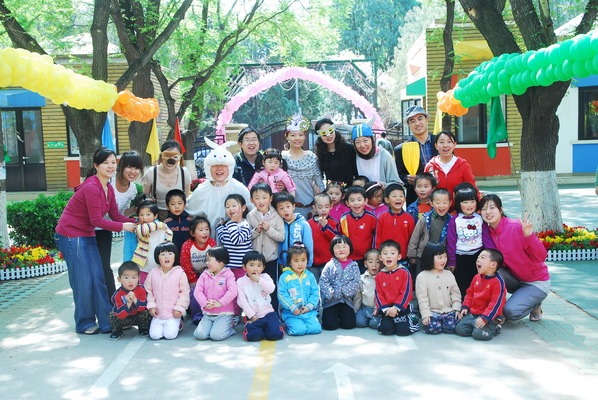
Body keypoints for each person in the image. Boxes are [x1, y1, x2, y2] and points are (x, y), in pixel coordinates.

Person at [55, 147, 136, 335]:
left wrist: (139, 223)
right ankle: (84, 323)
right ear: (96, 165)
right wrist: (124, 227)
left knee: (99, 278)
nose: (110, 166)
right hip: (71, 235)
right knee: (83, 280)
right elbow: (96, 220)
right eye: (105, 163)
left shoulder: (108, 187)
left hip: (87, 234)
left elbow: (115, 215)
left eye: (113, 162)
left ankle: (108, 321)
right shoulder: (92, 186)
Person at [480, 195, 549, 322]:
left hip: (536, 282)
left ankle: (535, 304)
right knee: (490, 268)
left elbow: (542, 256)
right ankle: (501, 307)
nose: (488, 212)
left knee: (510, 312)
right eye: (484, 209)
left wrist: (529, 237)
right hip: (514, 279)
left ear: (501, 209)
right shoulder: (488, 232)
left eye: (492, 208)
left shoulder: (516, 227)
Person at [97, 150, 143, 298]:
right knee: (94, 268)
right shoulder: (108, 181)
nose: (133, 171)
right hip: (90, 228)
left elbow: (120, 214)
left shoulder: (132, 188)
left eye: (137, 168)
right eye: (129, 167)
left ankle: (112, 301)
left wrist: (138, 209)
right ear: (121, 166)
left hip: (106, 229)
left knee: (105, 267)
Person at [186, 138, 253, 238]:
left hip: (234, 241)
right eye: (215, 166)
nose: (219, 169)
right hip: (208, 241)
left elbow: (252, 211)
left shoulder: (239, 188)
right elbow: (190, 211)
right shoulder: (202, 190)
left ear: (229, 167)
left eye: (223, 165)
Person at [446, 187, 494, 298]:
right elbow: (451, 242)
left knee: (479, 281)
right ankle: (465, 304)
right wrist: (452, 261)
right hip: (460, 257)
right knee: (463, 284)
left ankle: (478, 302)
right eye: (465, 202)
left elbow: (486, 237)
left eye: (472, 201)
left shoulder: (480, 218)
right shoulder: (455, 220)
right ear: (458, 204)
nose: (469, 205)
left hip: (477, 256)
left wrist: (492, 255)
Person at [246, 183, 285, 311]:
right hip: (255, 261)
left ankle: (274, 314)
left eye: (264, 197)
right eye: (257, 198)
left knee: (271, 288)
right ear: (251, 200)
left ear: (270, 198)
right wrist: (256, 230)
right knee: (255, 288)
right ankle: (256, 314)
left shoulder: (276, 215)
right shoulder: (250, 216)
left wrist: (268, 229)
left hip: (271, 258)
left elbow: (281, 237)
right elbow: (247, 236)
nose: (261, 201)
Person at [455, 249, 506, 341]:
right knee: (460, 330)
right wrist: (465, 306)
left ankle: (495, 327)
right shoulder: (476, 277)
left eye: (482, 258)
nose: (478, 260)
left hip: (489, 316)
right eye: (478, 258)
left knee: (478, 335)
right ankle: (477, 327)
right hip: (474, 314)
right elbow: (470, 294)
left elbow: (495, 304)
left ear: (493, 265)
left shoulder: (498, 282)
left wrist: (485, 318)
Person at [282, 114, 325, 217]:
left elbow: (320, 185)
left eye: (300, 135)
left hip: (311, 211)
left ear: (305, 136)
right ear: (287, 137)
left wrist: (320, 208)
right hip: (288, 212)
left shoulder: (311, 157)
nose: (297, 138)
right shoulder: (282, 158)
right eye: (293, 135)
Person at [145, 242, 190, 340]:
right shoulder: (153, 273)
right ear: (157, 257)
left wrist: (179, 308)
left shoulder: (180, 273)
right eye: (162, 254)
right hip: (158, 314)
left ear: (175, 256)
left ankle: (179, 323)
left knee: (170, 335)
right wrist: (151, 306)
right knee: (155, 336)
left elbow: (184, 292)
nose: (166, 257)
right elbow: (148, 291)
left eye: (170, 253)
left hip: (173, 314)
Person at [394, 105, 438, 205]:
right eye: (412, 121)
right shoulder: (401, 149)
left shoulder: (441, 142)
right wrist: (407, 179)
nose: (417, 123)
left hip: (441, 199)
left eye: (420, 118)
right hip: (416, 201)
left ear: (426, 119)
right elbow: (399, 175)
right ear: (409, 125)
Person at [236, 252, 284, 341]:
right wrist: (252, 315)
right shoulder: (241, 281)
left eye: (259, 266)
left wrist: (259, 280)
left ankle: (273, 327)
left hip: (268, 313)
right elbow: (242, 301)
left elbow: (271, 289)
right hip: (253, 315)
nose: (255, 268)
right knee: (254, 336)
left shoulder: (265, 277)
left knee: (274, 335)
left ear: (263, 268)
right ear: (244, 267)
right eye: (251, 265)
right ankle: (250, 326)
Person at [193, 246, 238, 341]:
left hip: (224, 314)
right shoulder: (204, 275)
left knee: (216, 336)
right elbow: (197, 291)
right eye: (206, 260)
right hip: (208, 314)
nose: (206, 263)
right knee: (200, 335)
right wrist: (204, 303)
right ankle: (215, 327)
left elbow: (233, 291)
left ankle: (229, 329)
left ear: (220, 261)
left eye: (209, 260)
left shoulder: (228, 274)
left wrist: (220, 303)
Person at [415, 242, 461, 335]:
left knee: (452, 327)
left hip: (448, 311)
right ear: (429, 258)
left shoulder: (449, 274)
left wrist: (456, 309)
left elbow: (455, 293)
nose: (443, 260)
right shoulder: (422, 276)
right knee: (432, 328)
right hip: (433, 312)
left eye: (445, 256)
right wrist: (425, 314)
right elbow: (422, 298)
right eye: (440, 258)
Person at [375, 240, 419, 336]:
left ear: (399, 256)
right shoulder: (379, 276)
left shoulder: (404, 272)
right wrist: (386, 309)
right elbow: (378, 295)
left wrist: (396, 308)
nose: (388, 256)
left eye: (392, 253)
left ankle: (412, 319)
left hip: (402, 307)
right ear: (380, 257)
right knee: (385, 330)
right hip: (387, 309)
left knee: (402, 331)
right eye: (385, 254)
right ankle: (388, 321)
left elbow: (406, 292)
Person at [278, 242, 322, 336]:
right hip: (291, 313)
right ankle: (291, 326)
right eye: (296, 261)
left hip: (308, 311)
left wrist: (309, 306)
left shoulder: (309, 276)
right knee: (299, 331)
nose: (300, 264)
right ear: (290, 262)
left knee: (315, 329)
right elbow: (282, 294)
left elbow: (314, 292)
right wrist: (292, 307)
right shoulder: (285, 276)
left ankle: (303, 322)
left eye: (303, 260)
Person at [424, 131, 478, 206]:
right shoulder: (430, 167)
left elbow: (472, 188)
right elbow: (425, 190)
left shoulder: (463, 165)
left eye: (449, 142)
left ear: (454, 144)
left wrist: (479, 207)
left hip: (459, 210)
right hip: (437, 209)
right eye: (441, 142)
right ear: (436, 146)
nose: (445, 145)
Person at [180, 215, 216, 325]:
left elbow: (216, 261)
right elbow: (185, 264)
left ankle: (211, 312)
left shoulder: (212, 243)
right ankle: (197, 316)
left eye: (206, 229)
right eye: (200, 230)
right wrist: (193, 280)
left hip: (208, 274)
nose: (205, 232)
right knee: (195, 293)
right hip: (192, 275)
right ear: (193, 233)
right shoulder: (187, 245)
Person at [407, 188, 452, 277]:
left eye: (445, 203)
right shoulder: (425, 218)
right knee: (422, 277)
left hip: (441, 258)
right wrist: (412, 254)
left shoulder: (451, 221)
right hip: (423, 256)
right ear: (431, 203)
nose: (441, 206)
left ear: (450, 203)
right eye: (438, 203)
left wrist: (451, 260)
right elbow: (415, 237)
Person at [143, 140, 191, 221]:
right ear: (161, 155)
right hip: (157, 215)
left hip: (179, 215)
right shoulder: (151, 173)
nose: (171, 160)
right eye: (167, 156)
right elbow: (145, 196)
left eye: (175, 157)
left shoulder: (184, 173)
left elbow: (186, 198)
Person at [320, 236, 361, 331]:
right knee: (330, 326)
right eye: (338, 247)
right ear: (333, 250)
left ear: (350, 248)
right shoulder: (329, 265)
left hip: (346, 300)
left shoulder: (354, 266)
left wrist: (343, 291)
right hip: (331, 300)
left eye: (344, 246)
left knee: (349, 325)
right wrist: (331, 293)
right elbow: (323, 280)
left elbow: (356, 282)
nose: (341, 249)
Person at [131, 200, 173, 284]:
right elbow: (142, 230)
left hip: (158, 265)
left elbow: (169, 237)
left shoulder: (163, 229)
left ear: (155, 215)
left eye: (148, 214)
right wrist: (159, 224)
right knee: (143, 287)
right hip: (143, 266)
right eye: (141, 214)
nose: (144, 218)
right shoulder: (140, 227)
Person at [108, 261, 152, 340]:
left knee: (147, 311)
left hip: (138, 316)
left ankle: (143, 328)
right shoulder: (117, 295)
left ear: (138, 278)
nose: (130, 281)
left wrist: (135, 300)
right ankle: (117, 331)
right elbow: (119, 313)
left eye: (134, 278)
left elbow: (144, 306)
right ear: (119, 279)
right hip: (124, 318)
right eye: (126, 278)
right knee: (112, 315)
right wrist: (128, 304)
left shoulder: (141, 289)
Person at [339, 186, 377, 272]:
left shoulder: (372, 218)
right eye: (352, 200)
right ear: (347, 203)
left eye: (359, 200)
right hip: (348, 258)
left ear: (365, 201)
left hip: (366, 258)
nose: (356, 203)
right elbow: (340, 237)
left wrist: (373, 254)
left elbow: (376, 238)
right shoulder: (344, 218)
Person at [273, 192, 314, 269]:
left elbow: (308, 245)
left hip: (300, 265)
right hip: (284, 265)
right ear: (277, 210)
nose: (285, 210)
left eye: (288, 206)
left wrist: (308, 264)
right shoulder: (279, 225)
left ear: (293, 206)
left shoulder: (303, 224)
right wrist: (280, 262)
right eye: (281, 208)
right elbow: (279, 244)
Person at [375, 183, 415, 261]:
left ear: (405, 199)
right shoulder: (382, 217)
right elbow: (378, 238)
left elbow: (412, 239)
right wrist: (378, 253)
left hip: (403, 257)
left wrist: (411, 255)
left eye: (401, 196)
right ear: (387, 200)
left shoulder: (409, 218)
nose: (398, 199)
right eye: (394, 196)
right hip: (386, 258)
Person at [314, 117, 358, 186]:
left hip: (349, 189)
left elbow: (356, 172)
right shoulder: (320, 154)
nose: (328, 135)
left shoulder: (349, 149)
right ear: (319, 136)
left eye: (330, 131)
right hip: (331, 190)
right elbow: (319, 175)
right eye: (324, 133)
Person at [308, 193, 339, 282]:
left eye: (326, 207)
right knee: (314, 286)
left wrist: (325, 227)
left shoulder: (333, 222)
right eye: (320, 207)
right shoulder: (309, 223)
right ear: (314, 208)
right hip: (313, 263)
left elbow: (336, 240)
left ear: (331, 206)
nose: (324, 210)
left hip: (329, 262)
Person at [353, 249, 382, 329]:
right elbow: (358, 297)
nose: (374, 265)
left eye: (378, 262)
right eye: (370, 262)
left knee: (374, 324)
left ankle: (373, 319)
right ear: (365, 264)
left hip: (377, 309)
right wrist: (355, 310)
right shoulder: (362, 278)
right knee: (359, 322)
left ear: (382, 264)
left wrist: (379, 308)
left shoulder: (383, 278)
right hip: (364, 307)